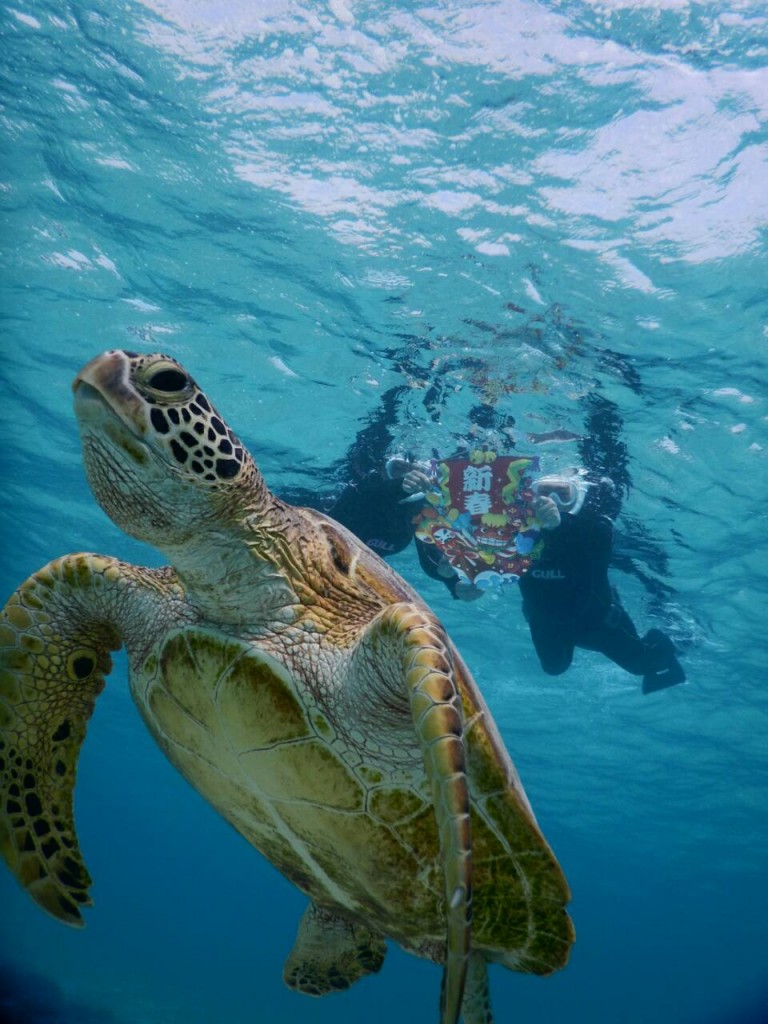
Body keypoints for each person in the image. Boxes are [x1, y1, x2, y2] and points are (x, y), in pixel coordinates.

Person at [518, 473, 686, 693]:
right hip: (547, 622)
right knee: (554, 668)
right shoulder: (514, 533)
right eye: (543, 494)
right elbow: (482, 562)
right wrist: (459, 585)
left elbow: (601, 543)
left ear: (578, 497)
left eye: (562, 495)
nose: (553, 503)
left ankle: (668, 639)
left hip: (598, 623)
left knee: (642, 666)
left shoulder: (593, 528)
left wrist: (558, 527)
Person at [320, 453, 484, 601]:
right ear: (385, 470)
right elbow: (367, 498)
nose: (410, 476)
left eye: (420, 473)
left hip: (351, 575)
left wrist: (453, 580)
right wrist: (401, 487)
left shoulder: (421, 513)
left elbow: (430, 557)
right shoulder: (361, 493)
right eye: (398, 469)